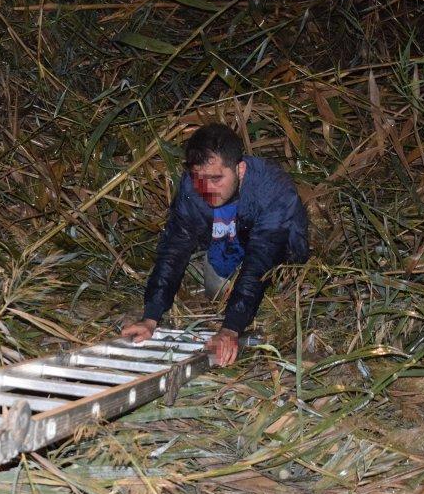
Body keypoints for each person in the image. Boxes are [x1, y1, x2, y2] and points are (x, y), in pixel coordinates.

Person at [121, 123, 309, 366]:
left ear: (240, 169)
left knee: (266, 289)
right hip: (229, 244)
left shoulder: (273, 189)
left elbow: (261, 259)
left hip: (277, 254)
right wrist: (151, 317)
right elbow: (175, 247)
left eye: (216, 178)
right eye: (198, 178)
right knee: (214, 289)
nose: (206, 189)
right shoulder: (192, 186)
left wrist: (231, 328)